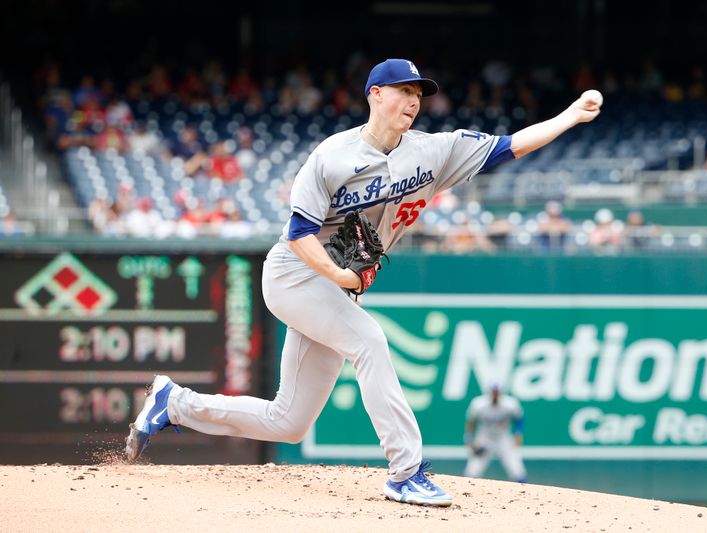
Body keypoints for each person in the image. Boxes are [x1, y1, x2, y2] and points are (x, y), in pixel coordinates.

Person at [125, 58, 600, 507]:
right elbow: (298, 234)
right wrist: (336, 274)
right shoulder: (333, 155)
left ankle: (174, 403)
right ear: (375, 94)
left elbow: (511, 144)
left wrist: (570, 117)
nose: (413, 101)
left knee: (289, 421)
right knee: (370, 340)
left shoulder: (433, 151)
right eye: (403, 91)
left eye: (419, 93)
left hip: (334, 289)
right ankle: (406, 472)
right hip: (295, 276)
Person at [463, 384, 527, 483]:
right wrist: (469, 438)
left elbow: (519, 418)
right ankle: (465, 494)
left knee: (517, 469)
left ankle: (525, 494)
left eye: (497, 392)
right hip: (484, 438)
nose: (495, 394)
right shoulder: (478, 403)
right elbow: (471, 421)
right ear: (489, 392)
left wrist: (518, 434)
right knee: (472, 472)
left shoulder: (510, 403)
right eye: (493, 392)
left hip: (503, 438)